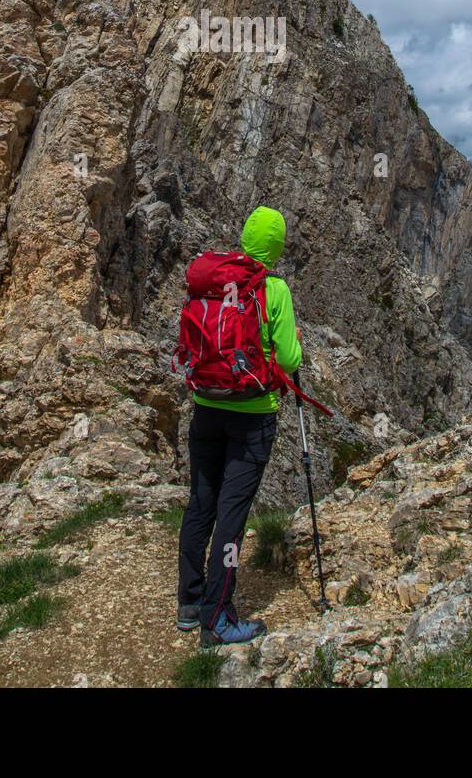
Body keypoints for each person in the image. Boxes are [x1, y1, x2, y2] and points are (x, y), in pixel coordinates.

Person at [176, 205, 302, 647]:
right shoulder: (274, 289)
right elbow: (288, 360)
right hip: (253, 415)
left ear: (246, 238)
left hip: (206, 405)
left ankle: (190, 603)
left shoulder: (213, 282)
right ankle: (218, 618)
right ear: (276, 246)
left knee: (200, 502)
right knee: (232, 513)